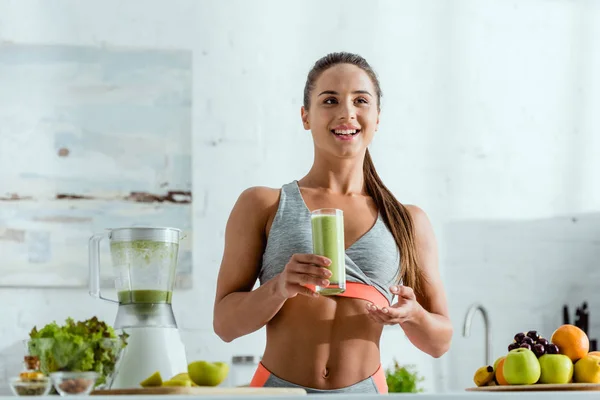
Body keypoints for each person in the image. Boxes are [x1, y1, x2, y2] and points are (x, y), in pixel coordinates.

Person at [213, 52, 453, 394]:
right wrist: (280, 287)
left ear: (377, 117)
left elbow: (439, 342)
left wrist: (413, 315)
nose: (346, 112)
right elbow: (224, 325)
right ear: (305, 116)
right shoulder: (262, 205)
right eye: (330, 100)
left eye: (360, 100)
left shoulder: (407, 221)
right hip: (278, 392)